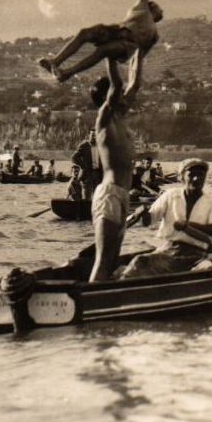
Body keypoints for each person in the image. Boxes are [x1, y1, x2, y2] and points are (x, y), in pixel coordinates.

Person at [37, 0, 183, 100]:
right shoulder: (142, 6)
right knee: (85, 33)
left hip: (127, 46)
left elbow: (138, 59)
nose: (162, 10)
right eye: (160, 8)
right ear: (153, 7)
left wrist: (133, 86)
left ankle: (67, 73)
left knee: (103, 51)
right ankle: (55, 62)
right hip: (115, 32)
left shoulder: (154, 35)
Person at [119, 159, 212, 278]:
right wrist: (142, 213)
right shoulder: (170, 195)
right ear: (182, 177)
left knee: (207, 269)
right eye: (191, 175)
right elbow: (147, 222)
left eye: (201, 175)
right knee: (139, 261)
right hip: (167, 251)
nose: (196, 179)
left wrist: (187, 225)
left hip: (198, 254)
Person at [89, 61, 136, 282]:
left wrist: (139, 53)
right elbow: (117, 86)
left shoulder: (120, 118)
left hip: (122, 195)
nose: (123, 95)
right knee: (103, 259)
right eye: (116, 95)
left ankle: (104, 302)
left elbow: (134, 85)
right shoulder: (104, 120)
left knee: (113, 257)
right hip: (109, 194)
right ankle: (90, 299)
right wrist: (109, 56)